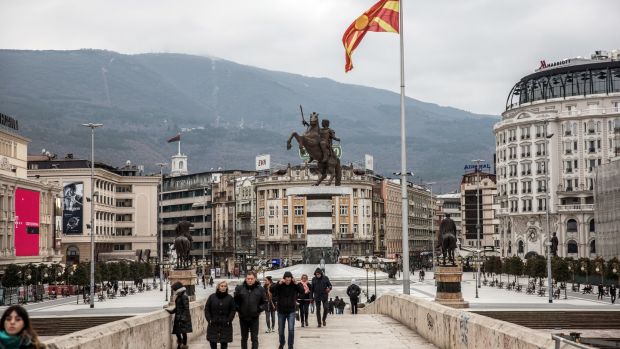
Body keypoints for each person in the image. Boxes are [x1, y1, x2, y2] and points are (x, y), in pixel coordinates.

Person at [271, 271, 304, 349]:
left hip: (291, 311)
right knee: (281, 330)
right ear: (284, 279)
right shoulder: (280, 284)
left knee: (291, 329)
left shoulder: (294, 285)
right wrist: (278, 283)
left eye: (289, 280)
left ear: (291, 279)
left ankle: (290, 346)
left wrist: (297, 283)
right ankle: (282, 343)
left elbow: (302, 291)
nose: (288, 281)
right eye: (286, 280)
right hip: (281, 311)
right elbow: (272, 290)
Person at [234, 271, 266, 349]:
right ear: (246, 279)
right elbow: (235, 302)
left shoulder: (260, 289)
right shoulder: (240, 288)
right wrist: (239, 309)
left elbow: (264, 302)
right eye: (248, 279)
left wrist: (259, 309)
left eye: (252, 279)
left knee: (254, 338)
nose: (250, 280)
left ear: (255, 279)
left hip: (254, 317)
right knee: (244, 338)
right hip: (243, 317)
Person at [205, 281, 235, 349]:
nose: (223, 288)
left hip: (225, 324)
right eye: (222, 286)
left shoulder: (230, 298)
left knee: (224, 344)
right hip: (213, 323)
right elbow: (207, 309)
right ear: (218, 287)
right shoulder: (212, 297)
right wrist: (209, 319)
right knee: (212, 343)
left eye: (225, 286)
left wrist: (229, 320)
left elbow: (233, 310)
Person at [166, 282, 193, 349]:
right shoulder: (179, 296)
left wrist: (182, 318)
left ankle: (183, 345)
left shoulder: (184, 296)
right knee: (178, 332)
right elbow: (178, 307)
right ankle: (180, 344)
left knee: (183, 332)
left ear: (177, 289)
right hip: (178, 317)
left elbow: (186, 308)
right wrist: (171, 311)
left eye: (174, 289)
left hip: (182, 318)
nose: (174, 291)